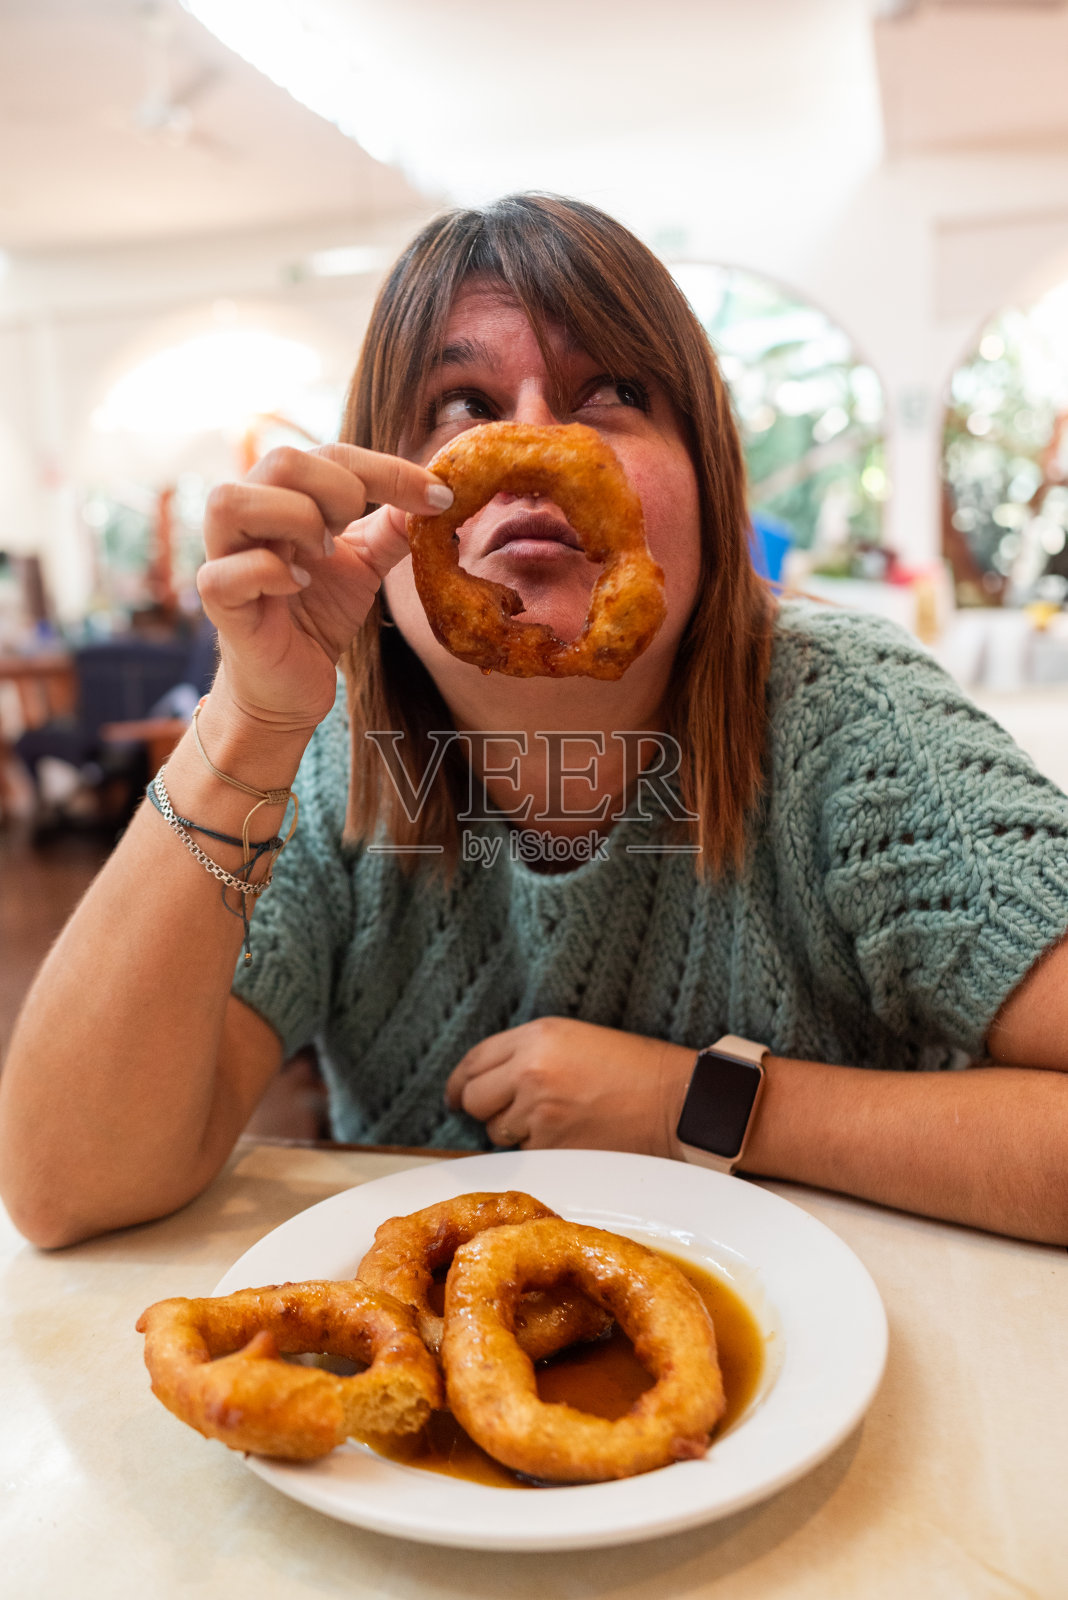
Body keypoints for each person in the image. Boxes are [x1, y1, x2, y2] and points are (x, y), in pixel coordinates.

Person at [2, 194, 1068, 1251]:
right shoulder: (326, 765)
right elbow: (65, 1184)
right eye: (461, 404)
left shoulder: (849, 718)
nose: (532, 439)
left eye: (609, 391)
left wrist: (698, 1104)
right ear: (371, 511)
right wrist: (247, 720)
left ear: (707, 481)